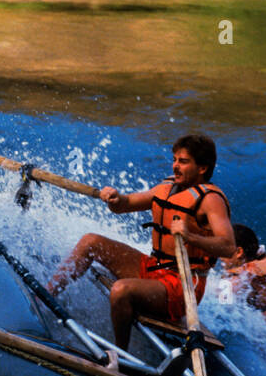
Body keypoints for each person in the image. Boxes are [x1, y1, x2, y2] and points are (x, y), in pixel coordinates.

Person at [46, 134, 235, 348]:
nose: (175, 166)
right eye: (174, 159)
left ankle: (119, 355)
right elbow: (125, 205)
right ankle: (44, 297)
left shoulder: (211, 200)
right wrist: (115, 198)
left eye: (183, 162)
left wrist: (190, 236)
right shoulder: (166, 187)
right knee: (91, 242)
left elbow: (228, 247)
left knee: (121, 290)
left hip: (183, 287)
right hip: (154, 269)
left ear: (202, 168)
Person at [222, 223, 266, 330]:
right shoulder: (257, 261)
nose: (218, 253)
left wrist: (246, 272)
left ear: (239, 252)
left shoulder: (249, 274)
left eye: (222, 248)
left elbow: (222, 303)